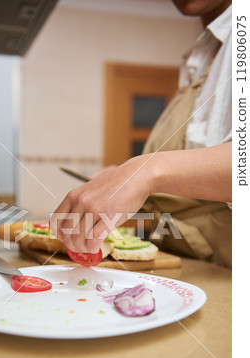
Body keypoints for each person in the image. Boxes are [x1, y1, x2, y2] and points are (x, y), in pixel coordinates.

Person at [50, 0, 232, 268]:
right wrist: (122, 174)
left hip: (228, 272)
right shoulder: (200, 56)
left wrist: (144, 172)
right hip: (183, 258)